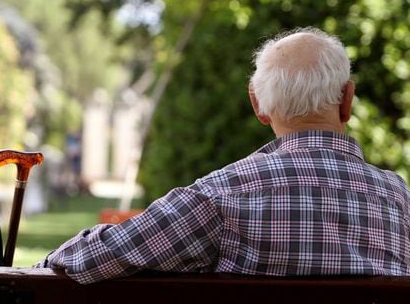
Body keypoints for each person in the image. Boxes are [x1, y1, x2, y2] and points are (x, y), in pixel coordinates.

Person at [35, 27, 410, 284]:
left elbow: (97, 258)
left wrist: (42, 264)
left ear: (258, 105)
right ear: (347, 99)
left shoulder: (221, 195)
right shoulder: (401, 200)